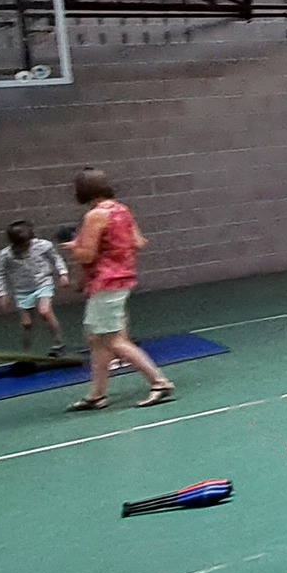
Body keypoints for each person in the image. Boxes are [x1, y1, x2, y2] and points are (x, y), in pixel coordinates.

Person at [65, 169, 173, 409]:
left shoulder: (95, 216)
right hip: (122, 279)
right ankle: (97, 393)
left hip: (106, 282)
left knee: (112, 340)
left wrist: (74, 247)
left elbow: (87, 254)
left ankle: (159, 382)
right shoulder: (122, 210)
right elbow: (138, 242)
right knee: (97, 338)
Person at [0, 219, 68, 354]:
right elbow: (0, 274)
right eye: (19, 246)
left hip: (43, 283)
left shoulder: (43, 246)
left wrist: (63, 273)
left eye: (25, 245)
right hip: (22, 290)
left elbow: (56, 258)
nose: (22, 249)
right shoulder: (5, 255)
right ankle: (27, 351)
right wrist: (2, 293)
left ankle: (58, 342)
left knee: (44, 311)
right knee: (26, 323)